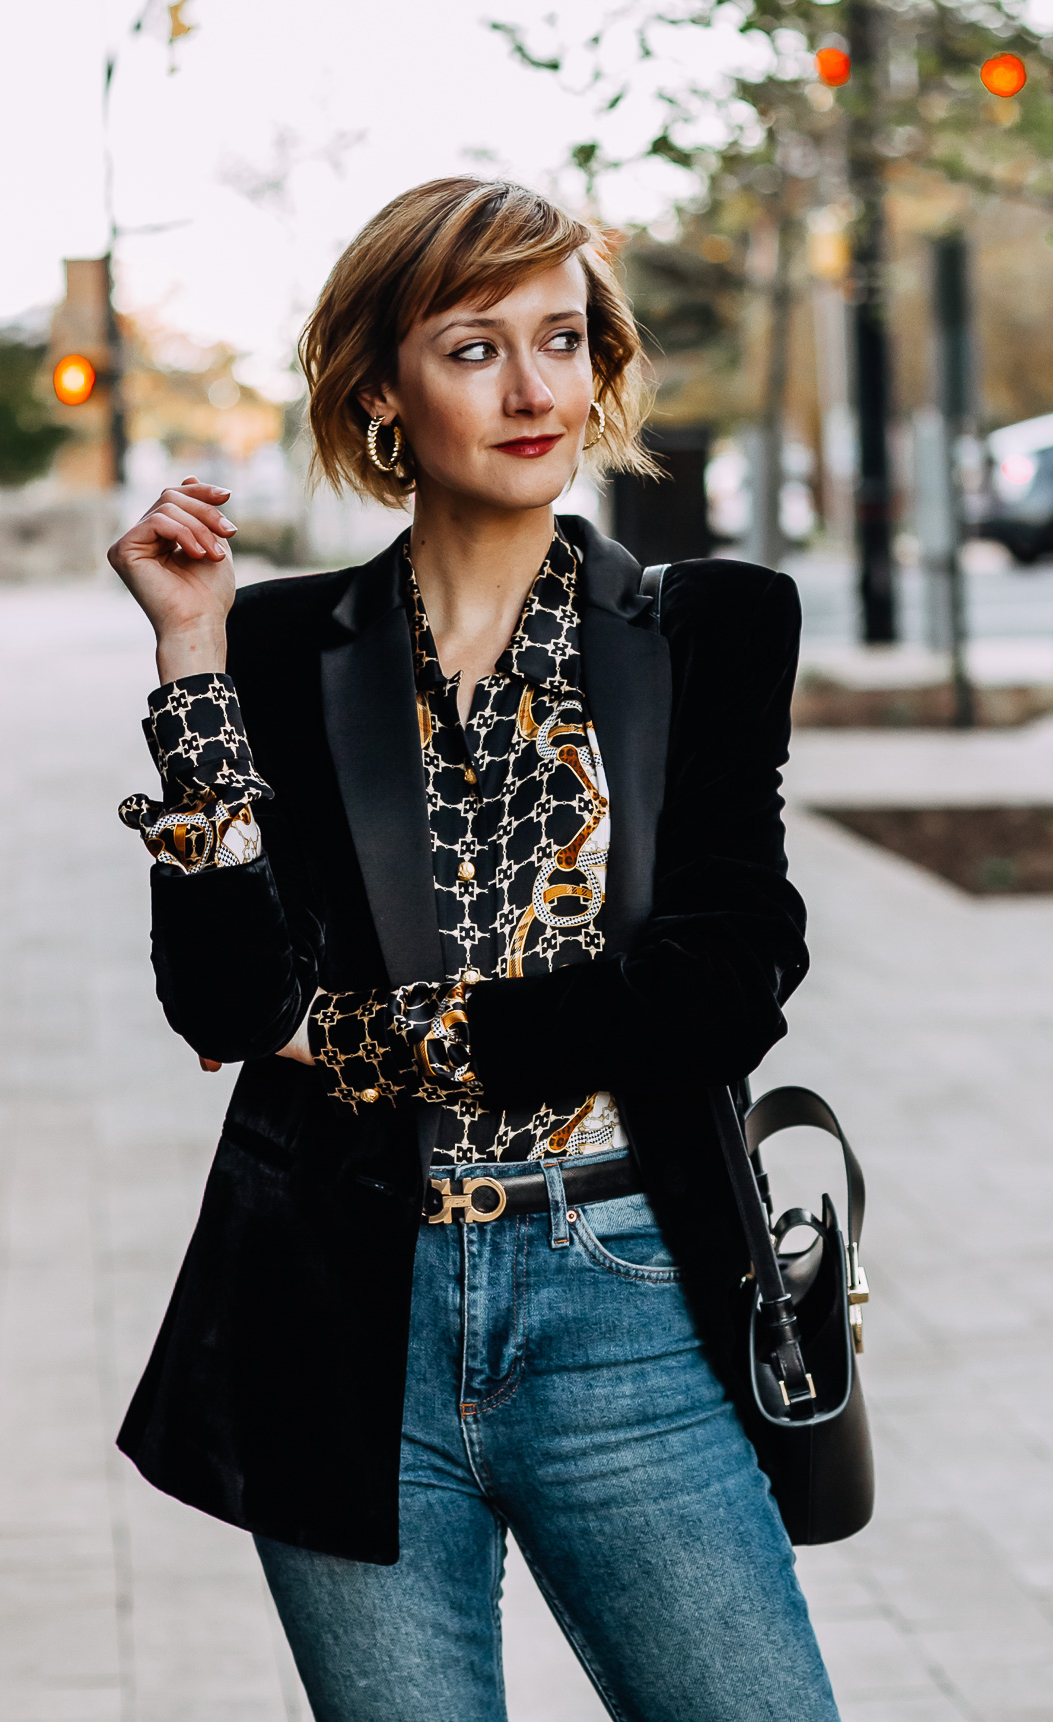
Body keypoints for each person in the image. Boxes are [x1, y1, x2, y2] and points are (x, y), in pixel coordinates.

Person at [108, 176, 838, 1722]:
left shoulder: (711, 626)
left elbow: (725, 976)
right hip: (342, 1312)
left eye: (563, 340)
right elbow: (231, 996)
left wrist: (366, 1037)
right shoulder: (278, 649)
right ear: (382, 386)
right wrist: (188, 656)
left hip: (622, 1292)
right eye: (475, 347)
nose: (534, 389)